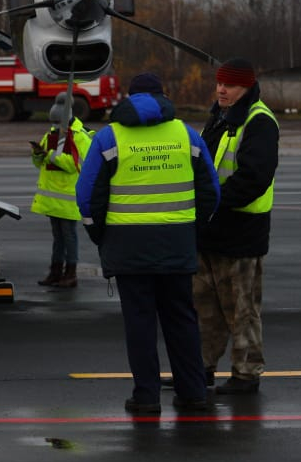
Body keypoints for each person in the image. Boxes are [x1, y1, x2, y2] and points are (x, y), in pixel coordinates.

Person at [76, 72, 220, 415]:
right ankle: (193, 391)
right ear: (163, 97)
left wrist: (101, 235)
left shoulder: (110, 136)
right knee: (182, 319)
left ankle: (146, 397)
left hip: (127, 247)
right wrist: (191, 230)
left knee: (139, 324)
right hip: (177, 244)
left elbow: (86, 196)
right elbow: (211, 192)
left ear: (129, 98)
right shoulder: (186, 135)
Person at [194, 58, 279, 395]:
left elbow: (254, 178)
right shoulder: (218, 116)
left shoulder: (259, 121)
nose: (221, 89)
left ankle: (246, 375)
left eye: (229, 85)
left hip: (242, 232)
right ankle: (198, 370)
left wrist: (212, 200)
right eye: (219, 83)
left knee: (242, 309)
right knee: (203, 309)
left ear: (246, 86)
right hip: (210, 233)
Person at [32, 92, 92, 288]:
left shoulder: (80, 137)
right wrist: (38, 154)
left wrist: (49, 156)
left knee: (69, 237)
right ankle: (56, 272)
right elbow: (39, 163)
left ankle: (70, 274)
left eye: (58, 123)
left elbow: (79, 165)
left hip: (68, 198)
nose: (55, 126)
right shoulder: (51, 134)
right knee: (58, 238)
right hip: (53, 198)